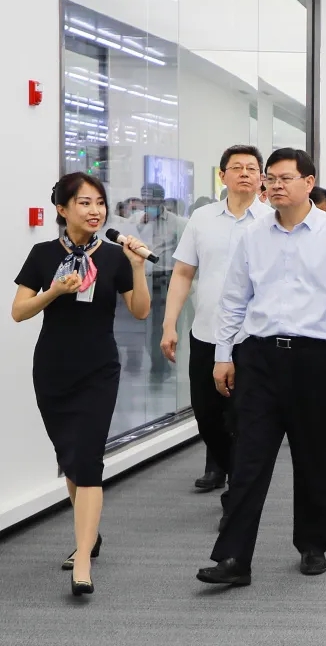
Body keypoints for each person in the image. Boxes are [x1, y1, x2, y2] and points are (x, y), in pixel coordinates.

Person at [196, 147, 326, 586]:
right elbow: (234, 299)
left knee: (313, 456)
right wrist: (223, 355)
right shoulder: (253, 235)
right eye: (270, 178)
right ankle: (234, 558)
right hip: (259, 357)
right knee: (249, 458)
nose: (274, 185)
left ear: (308, 183)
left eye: (284, 178)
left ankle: (312, 545)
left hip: (316, 359)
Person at [12, 172, 151, 595]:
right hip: (53, 370)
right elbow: (19, 312)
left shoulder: (114, 256)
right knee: (70, 458)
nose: (95, 211)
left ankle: (83, 559)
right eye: (85, 203)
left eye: (100, 203)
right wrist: (53, 291)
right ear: (62, 209)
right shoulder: (42, 254)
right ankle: (90, 533)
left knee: (88, 459)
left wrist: (138, 268)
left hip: (99, 369)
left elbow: (141, 311)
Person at [160, 145, 272, 519]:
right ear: (222, 176)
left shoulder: (272, 220)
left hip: (253, 339)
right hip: (206, 332)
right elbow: (183, 273)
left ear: (262, 178)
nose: (245, 173)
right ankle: (225, 467)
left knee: (244, 420)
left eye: (252, 168)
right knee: (207, 416)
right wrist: (169, 323)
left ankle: (236, 498)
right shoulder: (202, 218)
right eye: (237, 167)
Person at [132, 183, 188, 383]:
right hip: (143, 279)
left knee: (161, 326)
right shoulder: (137, 221)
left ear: (161, 201)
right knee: (146, 328)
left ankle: (161, 368)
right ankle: (155, 365)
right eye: (145, 200)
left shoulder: (177, 223)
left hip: (166, 279)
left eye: (152, 201)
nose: (148, 205)